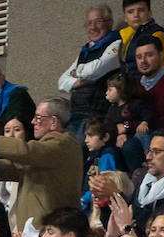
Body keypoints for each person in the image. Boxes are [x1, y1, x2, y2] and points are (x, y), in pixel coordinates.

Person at [0, 98, 82, 235]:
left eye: (38, 117)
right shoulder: (48, 151)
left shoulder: (62, 143)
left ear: (53, 121)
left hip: (52, 231)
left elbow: (26, 151)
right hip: (41, 231)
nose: (33, 121)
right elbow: (20, 169)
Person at [58, 5, 122, 139]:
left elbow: (94, 70)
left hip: (95, 116)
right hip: (75, 113)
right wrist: (77, 81)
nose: (92, 27)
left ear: (109, 23)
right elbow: (62, 81)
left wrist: (77, 72)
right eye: (89, 23)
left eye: (98, 21)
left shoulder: (116, 43)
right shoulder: (87, 49)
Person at [118, 0, 164, 79]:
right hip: (128, 87)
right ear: (125, 18)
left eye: (141, 10)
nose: (136, 15)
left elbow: (159, 74)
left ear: (150, 13)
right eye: (130, 12)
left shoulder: (158, 35)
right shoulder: (126, 36)